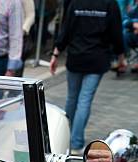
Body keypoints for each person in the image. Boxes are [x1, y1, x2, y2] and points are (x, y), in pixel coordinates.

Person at [50, 0, 126, 153]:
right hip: (97, 59)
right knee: (84, 100)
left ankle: (64, 139)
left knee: (72, 99)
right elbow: (116, 33)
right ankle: (76, 143)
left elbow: (65, 30)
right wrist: (121, 56)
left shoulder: (75, 3)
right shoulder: (109, 4)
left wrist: (55, 54)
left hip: (76, 57)